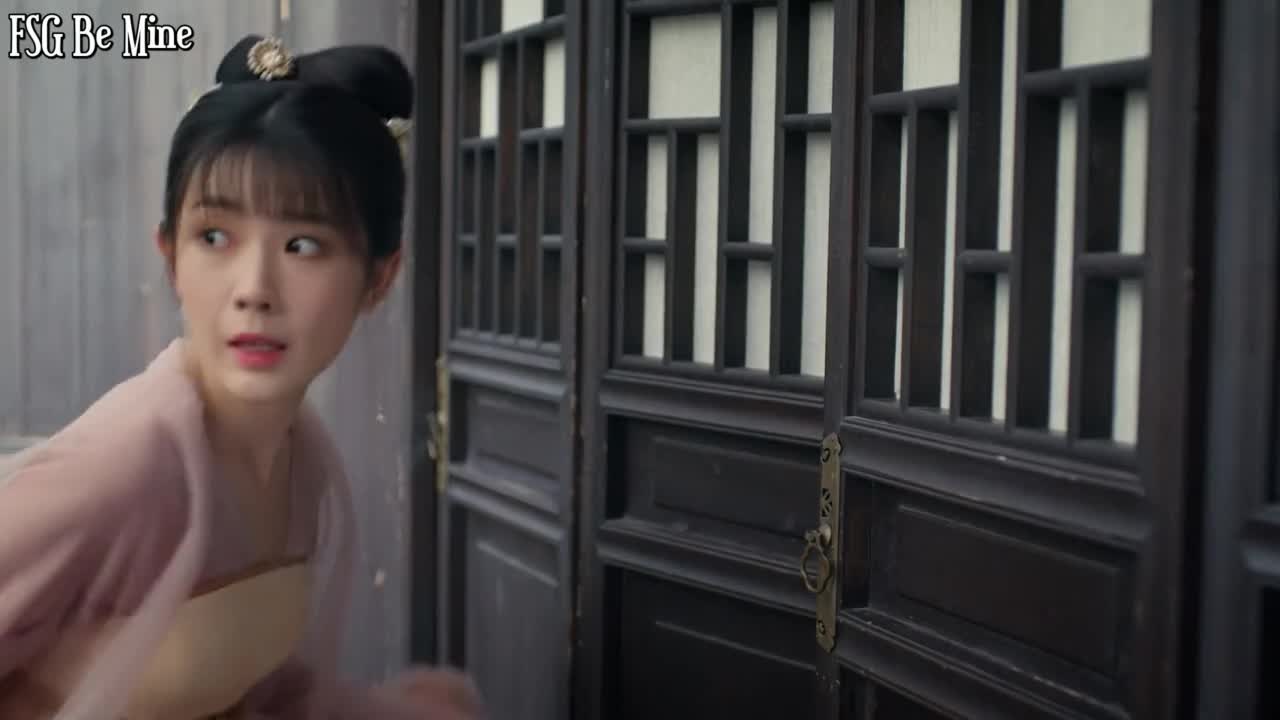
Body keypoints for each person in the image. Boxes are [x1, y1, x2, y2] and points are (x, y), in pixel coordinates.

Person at [0, 34, 484, 719]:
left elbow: (254, 687)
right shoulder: (129, 464)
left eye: (303, 245)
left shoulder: (303, 462)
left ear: (379, 278)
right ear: (171, 256)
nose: (254, 289)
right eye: (214, 238)